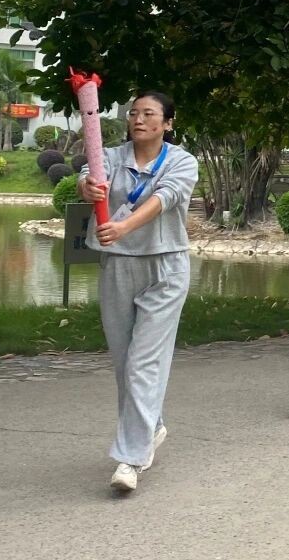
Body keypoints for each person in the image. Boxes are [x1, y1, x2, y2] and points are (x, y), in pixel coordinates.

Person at [79, 91, 199, 493]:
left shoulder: (182, 161)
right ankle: (151, 425)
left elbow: (166, 198)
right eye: (134, 113)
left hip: (165, 266)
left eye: (149, 114)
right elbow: (88, 177)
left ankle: (130, 457)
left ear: (168, 123)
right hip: (118, 264)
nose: (139, 119)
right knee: (124, 361)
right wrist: (87, 189)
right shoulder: (111, 156)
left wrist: (124, 226)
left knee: (144, 361)